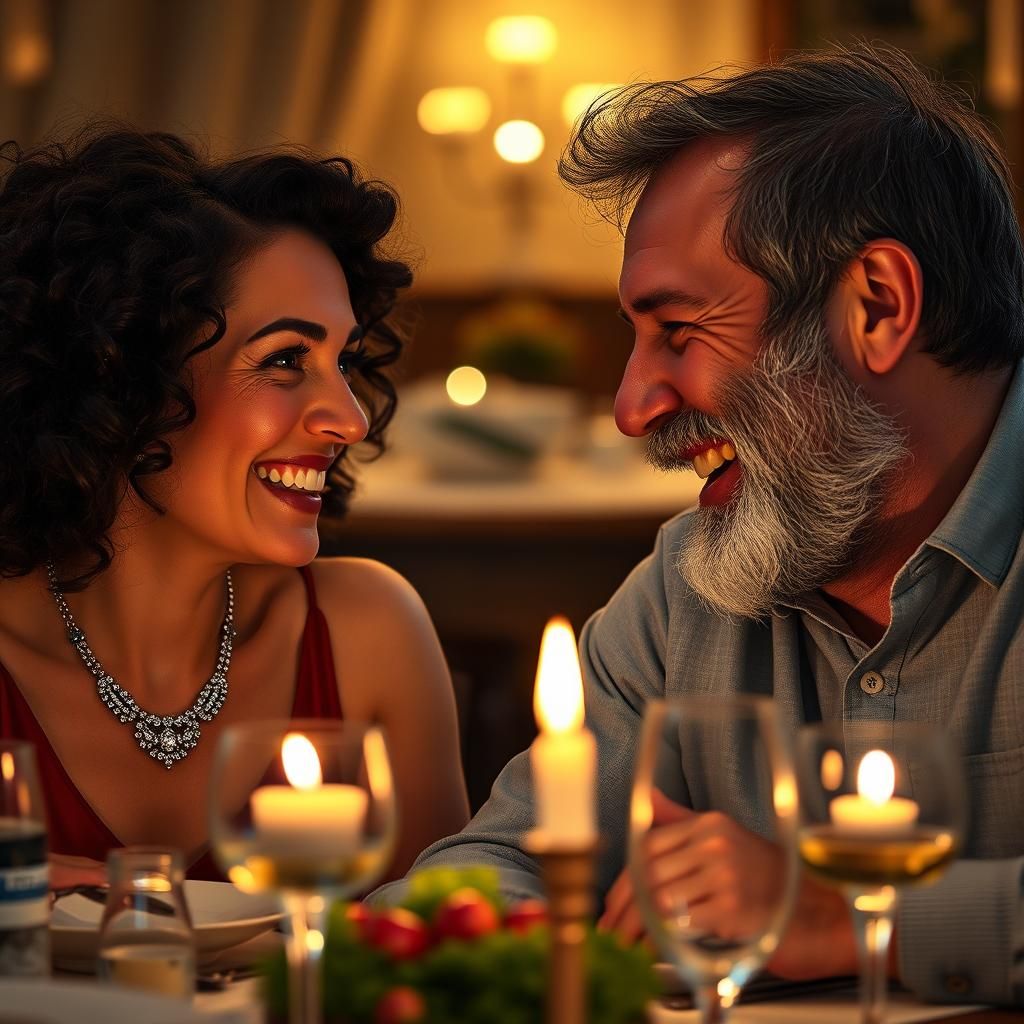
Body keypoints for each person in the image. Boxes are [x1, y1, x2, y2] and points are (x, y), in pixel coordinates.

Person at [380, 44, 1024, 1007]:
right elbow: (501, 866)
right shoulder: (690, 588)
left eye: (678, 332)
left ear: (878, 307)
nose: (631, 407)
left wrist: (845, 916)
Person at [0, 124, 469, 886]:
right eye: (286, 359)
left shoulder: (369, 637)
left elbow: (450, 967)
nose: (349, 418)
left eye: (343, 361)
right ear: (122, 373)